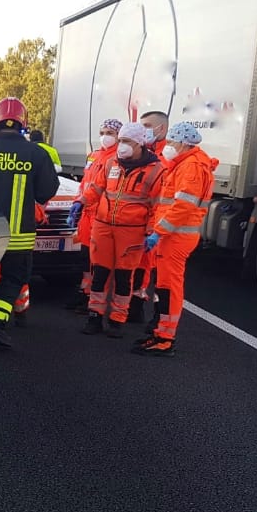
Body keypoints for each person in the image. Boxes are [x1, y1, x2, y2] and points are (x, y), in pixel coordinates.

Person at [0, 97, 60, 349]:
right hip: (18, 236)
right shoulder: (37, 154)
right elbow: (46, 192)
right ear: (23, 123)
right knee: (13, 279)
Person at [73, 122, 165, 338]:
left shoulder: (155, 170)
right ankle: (94, 316)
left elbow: (157, 205)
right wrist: (81, 201)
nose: (121, 145)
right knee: (99, 274)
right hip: (103, 226)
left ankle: (117, 319)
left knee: (124, 277)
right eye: (121, 140)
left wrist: (152, 231)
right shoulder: (111, 163)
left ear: (140, 144)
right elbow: (96, 188)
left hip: (132, 231)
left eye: (127, 141)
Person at [135, 122, 218, 357]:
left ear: (183, 143)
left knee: (169, 287)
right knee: (164, 286)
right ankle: (161, 333)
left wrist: (158, 232)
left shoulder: (191, 167)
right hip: (174, 235)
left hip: (176, 236)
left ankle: (165, 339)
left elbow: (183, 206)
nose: (168, 146)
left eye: (171, 141)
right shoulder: (185, 164)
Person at [67, 118, 123, 313]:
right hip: (87, 213)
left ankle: (93, 297)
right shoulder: (94, 155)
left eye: (110, 133)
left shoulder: (117, 158)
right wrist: (77, 202)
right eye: (102, 133)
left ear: (119, 136)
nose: (105, 137)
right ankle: (85, 291)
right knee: (85, 257)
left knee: (98, 260)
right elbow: (85, 183)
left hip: (101, 215)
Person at [130, 111, 171, 324]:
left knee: (159, 274)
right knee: (139, 267)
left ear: (161, 128)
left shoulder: (168, 158)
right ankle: (135, 307)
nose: (143, 129)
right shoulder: (143, 154)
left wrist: (156, 228)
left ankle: (158, 319)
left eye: (147, 125)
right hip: (142, 222)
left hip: (160, 224)